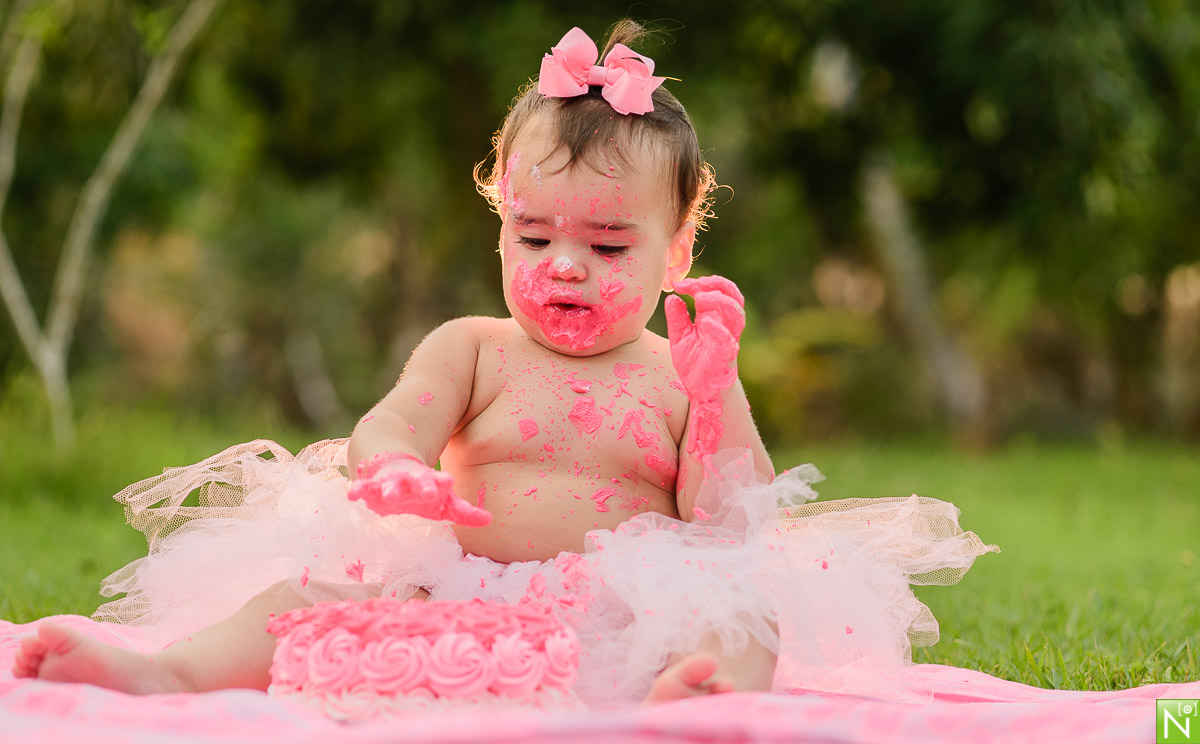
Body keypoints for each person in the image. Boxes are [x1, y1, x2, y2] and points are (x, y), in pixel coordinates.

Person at [11, 21, 993, 711]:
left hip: (617, 606)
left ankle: (700, 693)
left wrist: (716, 388)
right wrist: (391, 470)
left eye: (609, 248)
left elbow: (733, 521)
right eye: (534, 237)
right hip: (455, 578)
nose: (565, 266)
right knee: (316, 591)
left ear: (678, 251)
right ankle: (176, 674)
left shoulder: (672, 371)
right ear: (501, 224)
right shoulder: (474, 346)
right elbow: (394, 421)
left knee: (744, 607)